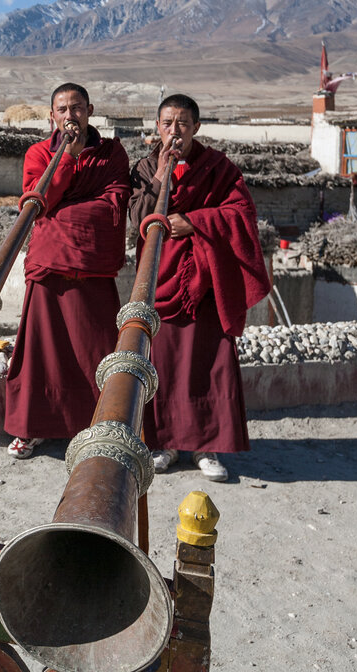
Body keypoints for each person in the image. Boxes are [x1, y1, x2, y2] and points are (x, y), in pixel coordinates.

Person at [128, 94, 270, 481]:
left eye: (183, 123)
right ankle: (163, 444)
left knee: (209, 365)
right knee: (163, 364)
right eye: (168, 123)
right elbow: (138, 216)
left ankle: (207, 447)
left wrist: (195, 221)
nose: (175, 131)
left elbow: (241, 213)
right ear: (157, 127)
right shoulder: (143, 167)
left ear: (196, 127)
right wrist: (160, 174)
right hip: (160, 276)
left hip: (205, 280)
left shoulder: (218, 168)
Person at [4, 83, 131, 459]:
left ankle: (102, 423)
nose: (70, 116)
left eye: (76, 108)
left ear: (90, 110)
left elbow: (113, 205)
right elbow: (38, 203)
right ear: (52, 116)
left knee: (99, 350)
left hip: (92, 272)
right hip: (50, 272)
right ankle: (30, 428)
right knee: (41, 352)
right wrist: (68, 160)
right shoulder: (39, 153)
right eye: (62, 109)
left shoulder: (112, 154)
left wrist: (62, 216)